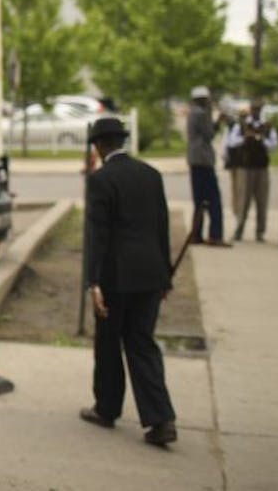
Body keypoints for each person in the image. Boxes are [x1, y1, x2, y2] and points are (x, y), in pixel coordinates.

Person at [79, 115, 178, 447]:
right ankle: (161, 419)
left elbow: (98, 236)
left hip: (115, 279)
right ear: (121, 142)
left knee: (108, 343)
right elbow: (161, 228)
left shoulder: (101, 180)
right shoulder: (151, 175)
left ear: (98, 146)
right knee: (142, 343)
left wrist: (93, 283)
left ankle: (106, 409)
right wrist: (165, 276)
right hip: (151, 274)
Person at [185, 86, 230, 247]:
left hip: (195, 159)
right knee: (213, 199)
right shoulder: (201, 113)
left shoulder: (192, 112)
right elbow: (209, 134)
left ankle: (196, 234)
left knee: (199, 200)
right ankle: (215, 235)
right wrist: (218, 121)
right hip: (203, 160)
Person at [226, 100, 277, 242]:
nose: (255, 112)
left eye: (258, 109)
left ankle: (260, 232)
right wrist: (245, 138)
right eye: (254, 109)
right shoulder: (242, 125)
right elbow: (231, 142)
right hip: (246, 168)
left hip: (261, 167)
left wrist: (261, 140)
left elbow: (273, 145)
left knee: (262, 201)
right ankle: (239, 230)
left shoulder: (266, 126)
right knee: (243, 201)